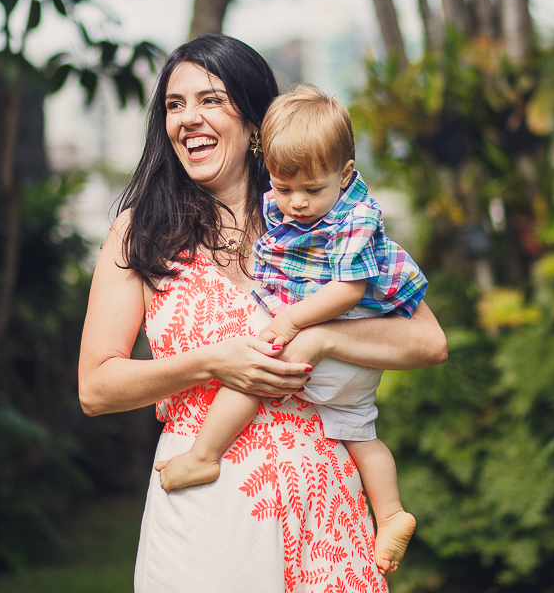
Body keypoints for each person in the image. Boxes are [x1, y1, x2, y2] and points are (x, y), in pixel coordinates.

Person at [77, 34, 448, 593]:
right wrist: (212, 363)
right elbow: (95, 387)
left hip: (323, 499)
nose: (189, 118)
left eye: (210, 100)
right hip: (207, 503)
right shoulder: (141, 230)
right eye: (175, 105)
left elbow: (429, 342)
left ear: (255, 119)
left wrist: (322, 339)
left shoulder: (319, 215)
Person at [155, 85, 424, 576]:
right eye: (283, 189)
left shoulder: (356, 219)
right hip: (353, 368)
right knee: (361, 433)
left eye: (311, 191)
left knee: (254, 368)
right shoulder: (314, 202)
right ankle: (390, 514)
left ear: (346, 174)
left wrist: (295, 322)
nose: (296, 203)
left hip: (339, 339)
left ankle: (204, 454)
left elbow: (349, 289)